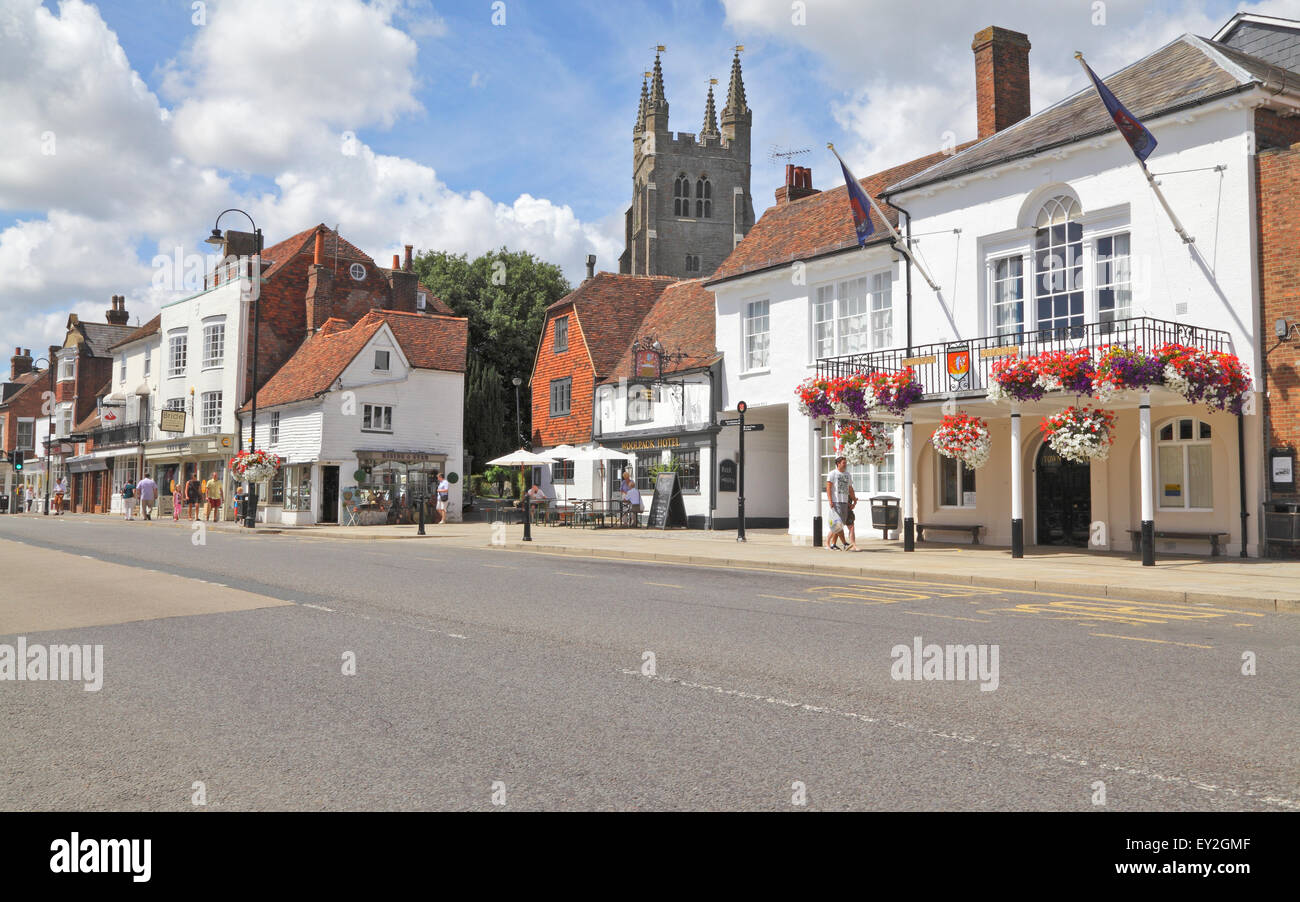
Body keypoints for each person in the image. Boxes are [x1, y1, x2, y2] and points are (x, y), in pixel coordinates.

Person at [826, 456, 859, 551]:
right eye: (843, 463)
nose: (845, 464)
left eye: (845, 463)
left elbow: (850, 489)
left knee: (840, 525)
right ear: (838, 463)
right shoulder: (833, 474)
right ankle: (828, 543)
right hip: (836, 502)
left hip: (844, 502)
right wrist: (830, 501)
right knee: (837, 523)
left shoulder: (848, 475)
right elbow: (828, 488)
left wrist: (854, 499)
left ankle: (840, 544)